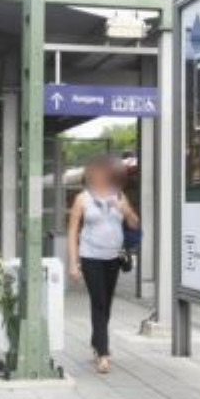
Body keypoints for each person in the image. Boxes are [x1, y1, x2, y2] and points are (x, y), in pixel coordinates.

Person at [67, 156, 139, 374]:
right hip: (91, 257)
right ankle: (103, 353)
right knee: (98, 302)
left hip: (113, 258)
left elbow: (134, 223)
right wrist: (73, 263)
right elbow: (72, 232)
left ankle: (96, 340)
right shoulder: (82, 199)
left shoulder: (119, 195)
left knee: (106, 303)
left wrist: (125, 210)